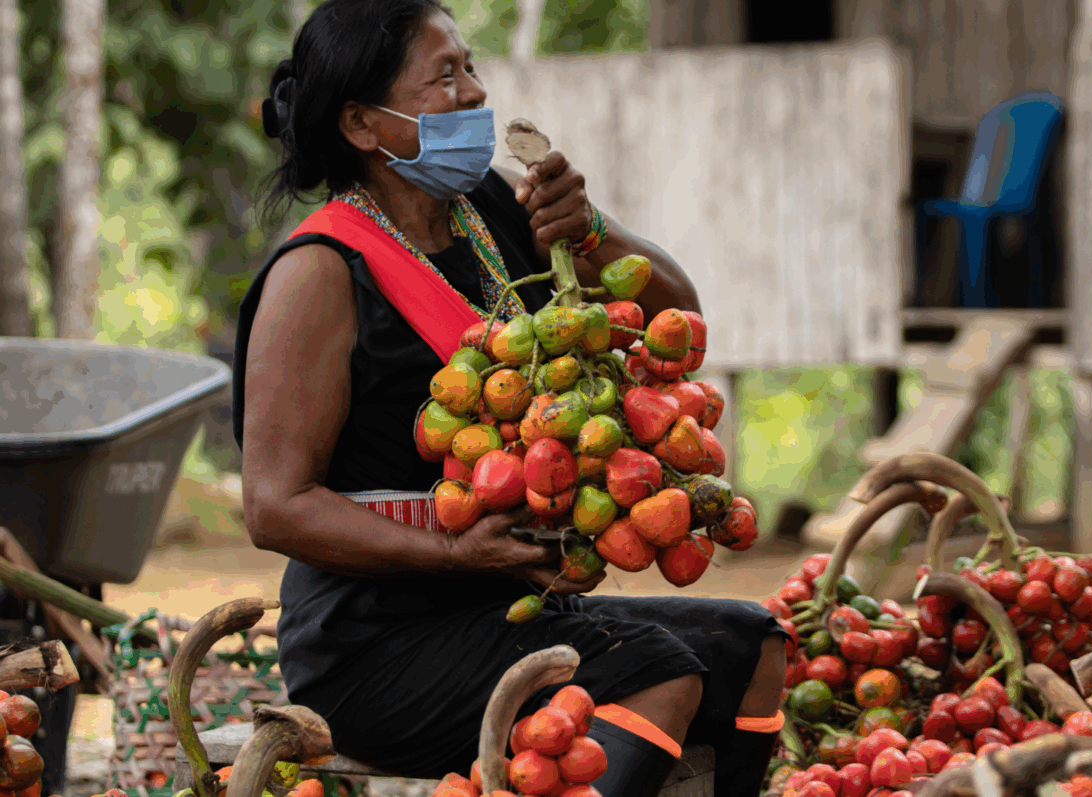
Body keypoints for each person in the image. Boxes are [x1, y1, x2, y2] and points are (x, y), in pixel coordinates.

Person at [231, 2, 787, 795]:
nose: (473, 95)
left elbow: (679, 321)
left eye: (472, 68)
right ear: (361, 123)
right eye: (444, 77)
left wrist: (590, 228)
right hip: (374, 644)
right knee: (659, 672)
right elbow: (273, 505)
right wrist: (451, 552)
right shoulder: (318, 272)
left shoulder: (492, 210)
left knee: (753, 642)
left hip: (507, 608)